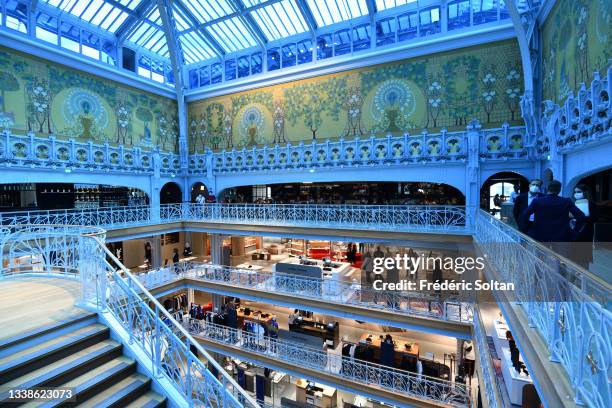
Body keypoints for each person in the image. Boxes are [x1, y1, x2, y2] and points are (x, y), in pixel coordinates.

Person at [520, 180, 586, 253]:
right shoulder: (566, 201)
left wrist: (527, 229)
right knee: (561, 260)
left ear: (548, 189)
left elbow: (525, 214)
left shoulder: (537, 201)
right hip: (561, 236)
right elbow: (581, 216)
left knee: (540, 259)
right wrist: (575, 231)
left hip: (540, 235)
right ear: (559, 190)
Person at [570, 184, 597, 268]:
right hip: (573, 233)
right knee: (574, 260)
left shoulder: (591, 204)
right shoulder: (573, 203)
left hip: (585, 234)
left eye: (579, 192)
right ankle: (574, 278)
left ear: (585, 192)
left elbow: (594, 219)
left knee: (584, 260)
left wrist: (579, 217)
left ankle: (583, 279)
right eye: (575, 192)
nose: (576, 194)